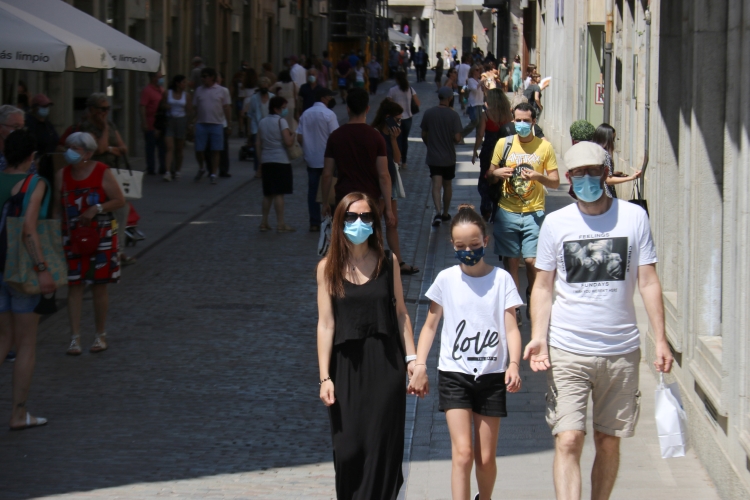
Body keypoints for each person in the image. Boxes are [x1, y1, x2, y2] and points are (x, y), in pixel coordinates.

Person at [523, 141, 674, 500]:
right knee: (569, 438)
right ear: (569, 180)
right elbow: (542, 286)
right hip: (568, 348)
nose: (587, 179)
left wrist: (662, 339)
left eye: (594, 171)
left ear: (607, 174)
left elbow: (648, 280)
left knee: (608, 441)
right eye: (578, 173)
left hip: (621, 350)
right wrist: (539, 337)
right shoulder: (556, 223)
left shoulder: (633, 217)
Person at [408, 204, 522, 500]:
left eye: (474, 244)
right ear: (452, 246)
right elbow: (430, 325)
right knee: (462, 453)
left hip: (491, 374)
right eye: (460, 246)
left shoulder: (501, 280)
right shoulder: (446, 279)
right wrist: (420, 364)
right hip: (454, 375)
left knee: (485, 457)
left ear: (486, 240)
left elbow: (511, 327)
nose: (468, 250)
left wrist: (514, 364)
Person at [316, 192, 416, 500]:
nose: (359, 222)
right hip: (346, 366)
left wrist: (412, 360)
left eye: (366, 217)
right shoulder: (327, 267)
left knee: (381, 448)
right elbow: (326, 324)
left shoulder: (388, 262)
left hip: (386, 364)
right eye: (351, 217)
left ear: (374, 222)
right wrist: (324, 377)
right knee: (348, 449)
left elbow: (400, 313)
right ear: (340, 221)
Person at [0, 130, 56, 430]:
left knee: (2, 339)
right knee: (26, 344)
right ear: (31, 156)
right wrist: (42, 267)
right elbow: (28, 229)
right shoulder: (35, 184)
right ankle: (19, 413)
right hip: (20, 269)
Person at [488, 102, 559, 326]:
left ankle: (532, 296)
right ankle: (515, 307)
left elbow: (556, 182)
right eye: (517, 120)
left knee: (532, 261)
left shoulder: (544, 147)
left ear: (534, 122)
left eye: (525, 121)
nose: (521, 124)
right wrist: (496, 172)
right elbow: (489, 174)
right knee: (511, 262)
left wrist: (539, 177)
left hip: (534, 212)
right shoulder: (503, 144)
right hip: (507, 211)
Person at [54, 132, 125, 355]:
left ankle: (99, 334)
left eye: (75, 148)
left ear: (88, 152)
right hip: (72, 236)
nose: (69, 151)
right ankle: (75, 338)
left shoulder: (102, 171)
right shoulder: (61, 175)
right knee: (74, 286)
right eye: (68, 147)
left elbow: (119, 200)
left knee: (99, 285)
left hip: (100, 235)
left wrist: (98, 208)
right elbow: (58, 207)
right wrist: (56, 233)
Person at [320, 89, 395, 230]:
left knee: (345, 243)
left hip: (344, 199)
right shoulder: (376, 137)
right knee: (369, 245)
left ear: (348, 109)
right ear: (367, 108)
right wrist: (388, 209)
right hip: (369, 199)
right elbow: (384, 175)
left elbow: (327, 174)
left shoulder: (335, 137)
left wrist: (325, 203)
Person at [370, 99, 419, 275]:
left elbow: (397, 159)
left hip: (391, 182)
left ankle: (398, 261)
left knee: (392, 223)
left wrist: (394, 140)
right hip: (378, 184)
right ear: (388, 117)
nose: (399, 123)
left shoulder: (390, 136)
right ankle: (377, 262)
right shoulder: (374, 134)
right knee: (376, 225)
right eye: (397, 119)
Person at [297, 86, 339, 232]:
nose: (331, 100)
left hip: (311, 158)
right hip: (328, 158)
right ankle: (331, 219)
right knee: (331, 189)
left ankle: (314, 221)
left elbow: (299, 136)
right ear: (323, 99)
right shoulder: (329, 114)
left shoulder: (305, 114)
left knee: (313, 190)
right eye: (329, 97)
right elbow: (335, 137)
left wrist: (308, 147)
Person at [421, 87, 463, 227]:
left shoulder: (429, 113)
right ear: (450, 98)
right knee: (447, 184)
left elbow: (423, 135)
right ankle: (445, 213)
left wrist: (430, 145)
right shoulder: (453, 115)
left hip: (434, 156)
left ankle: (437, 212)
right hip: (448, 156)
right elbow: (457, 138)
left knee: (436, 185)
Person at [472, 89, 515, 221]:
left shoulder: (486, 115)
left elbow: (480, 134)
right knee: (501, 178)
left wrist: (475, 150)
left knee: (485, 178)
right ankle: (498, 208)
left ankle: (486, 207)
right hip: (505, 149)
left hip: (489, 148)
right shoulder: (509, 115)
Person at [256, 96, 295, 233]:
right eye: (283, 108)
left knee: (268, 194)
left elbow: (258, 143)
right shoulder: (281, 122)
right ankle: (280, 223)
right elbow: (288, 142)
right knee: (279, 194)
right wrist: (293, 135)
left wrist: (261, 161)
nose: (285, 110)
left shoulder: (262, 122)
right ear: (276, 108)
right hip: (281, 160)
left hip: (267, 160)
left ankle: (264, 222)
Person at [192, 67, 232, 185]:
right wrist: (191, 123)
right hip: (201, 123)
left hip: (217, 124)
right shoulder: (199, 90)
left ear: (212, 77)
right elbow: (195, 108)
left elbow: (227, 108)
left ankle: (213, 173)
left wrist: (229, 124)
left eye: (205, 76)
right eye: (202, 77)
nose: (202, 79)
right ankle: (201, 167)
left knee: (216, 150)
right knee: (199, 149)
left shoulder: (222, 91)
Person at [592, 123, 641, 199]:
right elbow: (608, 180)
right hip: (605, 197)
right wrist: (631, 177)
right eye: (612, 139)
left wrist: (613, 173)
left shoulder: (593, 152)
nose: (613, 142)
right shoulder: (604, 154)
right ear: (606, 139)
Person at [386, 71, 420, 170]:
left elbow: (388, 105)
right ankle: (404, 161)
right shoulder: (410, 89)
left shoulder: (392, 90)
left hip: (396, 119)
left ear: (396, 79)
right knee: (404, 140)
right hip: (408, 118)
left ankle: (398, 161)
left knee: (397, 139)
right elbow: (417, 103)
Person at [163, 75, 191, 182]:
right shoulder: (167, 93)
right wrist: (165, 107)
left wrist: (189, 125)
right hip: (170, 120)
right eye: (183, 82)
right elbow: (162, 105)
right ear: (177, 83)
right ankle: (167, 172)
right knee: (169, 147)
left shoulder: (186, 95)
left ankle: (178, 170)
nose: (185, 84)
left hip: (181, 121)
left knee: (179, 149)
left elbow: (189, 110)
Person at [244, 78, 275, 175]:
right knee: (258, 148)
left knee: (269, 148)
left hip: (269, 127)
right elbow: (250, 114)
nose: (264, 90)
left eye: (266, 87)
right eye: (262, 87)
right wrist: (249, 131)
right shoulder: (254, 98)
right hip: (256, 127)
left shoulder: (272, 97)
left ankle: (268, 167)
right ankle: (258, 168)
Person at [139, 72, 166, 175]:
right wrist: (144, 122)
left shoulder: (161, 90)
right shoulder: (147, 91)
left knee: (162, 147)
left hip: (161, 125)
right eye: (160, 77)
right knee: (151, 147)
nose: (161, 79)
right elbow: (142, 107)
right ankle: (151, 168)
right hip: (151, 124)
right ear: (153, 78)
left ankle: (163, 167)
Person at [461, 65, 485, 138]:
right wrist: (481, 82)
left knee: (479, 123)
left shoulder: (478, 81)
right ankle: (461, 135)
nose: (479, 71)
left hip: (480, 103)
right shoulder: (470, 80)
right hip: (473, 104)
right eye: (477, 70)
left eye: (479, 70)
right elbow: (475, 89)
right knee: (475, 121)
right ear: (472, 72)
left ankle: (478, 138)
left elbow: (482, 91)